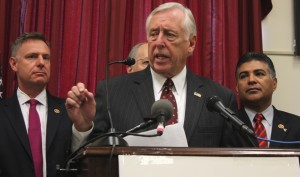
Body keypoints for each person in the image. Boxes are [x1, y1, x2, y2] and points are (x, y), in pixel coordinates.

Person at [66, 2, 243, 147]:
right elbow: (89, 160)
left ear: (191, 43)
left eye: (169, 35)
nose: (159, 42)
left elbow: (234, 163)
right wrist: (84, 127)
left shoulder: (219, 98)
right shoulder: (112, 91)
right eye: (153, 34)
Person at [0, 32, 95, 177]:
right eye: (32, 56)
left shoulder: (69, 110)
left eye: (46, 57)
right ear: (13, 63)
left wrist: (83, 126)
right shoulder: (3, 112)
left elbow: (79, 167)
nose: (41, 63)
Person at [235, 52, 300, 148]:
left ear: (274, 84)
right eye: (244, 76)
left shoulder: (296, 125)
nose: (251, 80)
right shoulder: (226, 126)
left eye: (259, 74)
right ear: (237, 88)